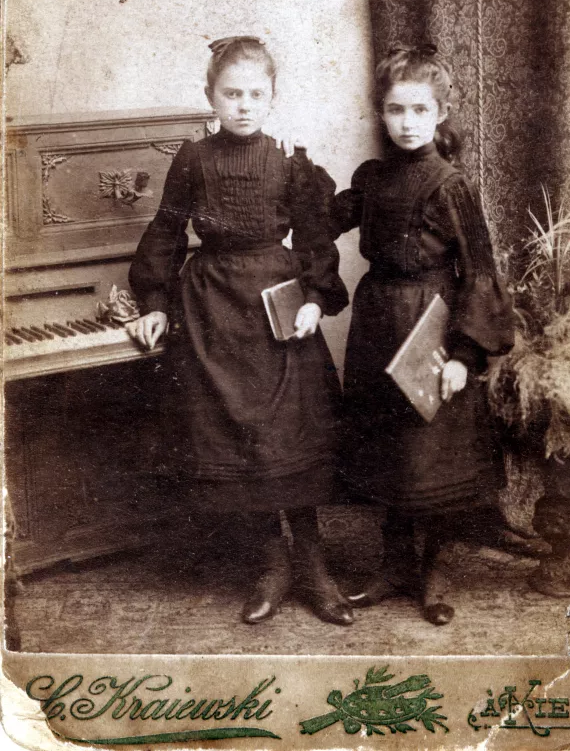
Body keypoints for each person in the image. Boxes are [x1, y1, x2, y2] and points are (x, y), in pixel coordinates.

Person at [127, 35, 353, 626]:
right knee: (238, 439)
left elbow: (312, 236)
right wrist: (153, 298)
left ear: (273, 97)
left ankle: (313, 564)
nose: (244, 105)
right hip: (213, 310)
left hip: (277, 306)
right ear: (211, 98)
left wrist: (313, 296)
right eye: (232, 94)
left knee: (290, 440)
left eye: (256, 94)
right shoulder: (193, 160)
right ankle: (270, 563)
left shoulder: (289, 161)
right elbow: (167, 230)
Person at [331, 44, 514, 625]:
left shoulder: (449, 184)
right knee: (388, 450)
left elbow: (479, 270)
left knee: (428, 454)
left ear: (439, 113)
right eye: (394, 110)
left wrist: (463, 353)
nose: (407, 122)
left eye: (419, 109)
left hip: (430, 326)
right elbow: (326, 220)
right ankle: (392, 564)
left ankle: (433, 568)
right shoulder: (372, 177)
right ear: (381, 115)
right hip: (377, 324)